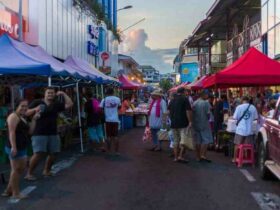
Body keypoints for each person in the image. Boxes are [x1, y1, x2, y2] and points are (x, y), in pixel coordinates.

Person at [25, 87, 73, 180]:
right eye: (48, 93)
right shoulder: (37, 102)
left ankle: (46, 170)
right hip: (39, 132)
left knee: (54, 153)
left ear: (54, 94)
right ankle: (29, 173)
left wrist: (63, 94)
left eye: (52, 93)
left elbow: (70, 104)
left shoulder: (56, 104)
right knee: (38, 153)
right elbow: (26, 113)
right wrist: (35, 109)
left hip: (53, 132)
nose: (50, 94)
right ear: (45, 94)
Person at [2, 99, 40, 199]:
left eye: (26, 106)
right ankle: (15, 193)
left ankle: (8, 190)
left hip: (22, 146)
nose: (24, 108)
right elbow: (11, 132)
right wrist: (14, 147)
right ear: (17, 106)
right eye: (22, 106)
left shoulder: (23, 117)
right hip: (15, 147)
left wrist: (34, 119)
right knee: (16, 170)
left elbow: (30, 131)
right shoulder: (13, 116)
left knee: (20, 168)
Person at [168, 87, 192, 162]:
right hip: (183, 123)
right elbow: (188, 111)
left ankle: (175, 157)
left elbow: (168, 112)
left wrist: (171, 119)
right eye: (186, 91)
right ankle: (180, 156)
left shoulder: (172, 100)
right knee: (183, 140)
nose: (186, 93)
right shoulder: (185, 99)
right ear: (183, 92)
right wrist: (190, 121)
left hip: (174, 123)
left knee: (175, 141)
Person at [232, 96, 258, 162]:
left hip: (240, 129)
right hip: (249, 130)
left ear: (242, 100)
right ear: (248, 100)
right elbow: (255, 118)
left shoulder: (239, 107)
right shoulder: (253, 107)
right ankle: (247, 158)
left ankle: (234, 159)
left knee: (237, 144)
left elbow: (235, 117)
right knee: (248, 145)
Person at [192, 90, 213, 162]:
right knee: (206, 140)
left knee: (198, 141)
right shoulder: (206, 103)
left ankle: (198, 156)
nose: (208, 96)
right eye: (207, 95)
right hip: (204, 124)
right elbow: (208, 114)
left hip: (196, 124)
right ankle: (202, 155)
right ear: (204, 95)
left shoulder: (194, 103)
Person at [100, 87, 121, 155]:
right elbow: (119, 108)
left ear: (107, 93)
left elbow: (100, 109)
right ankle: (117, 151)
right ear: (113, 92)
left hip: (107, 120)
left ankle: (109, 151)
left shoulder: (104, 99)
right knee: (116, 136)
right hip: (115, 120)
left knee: (108, 136)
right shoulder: (117, 99)